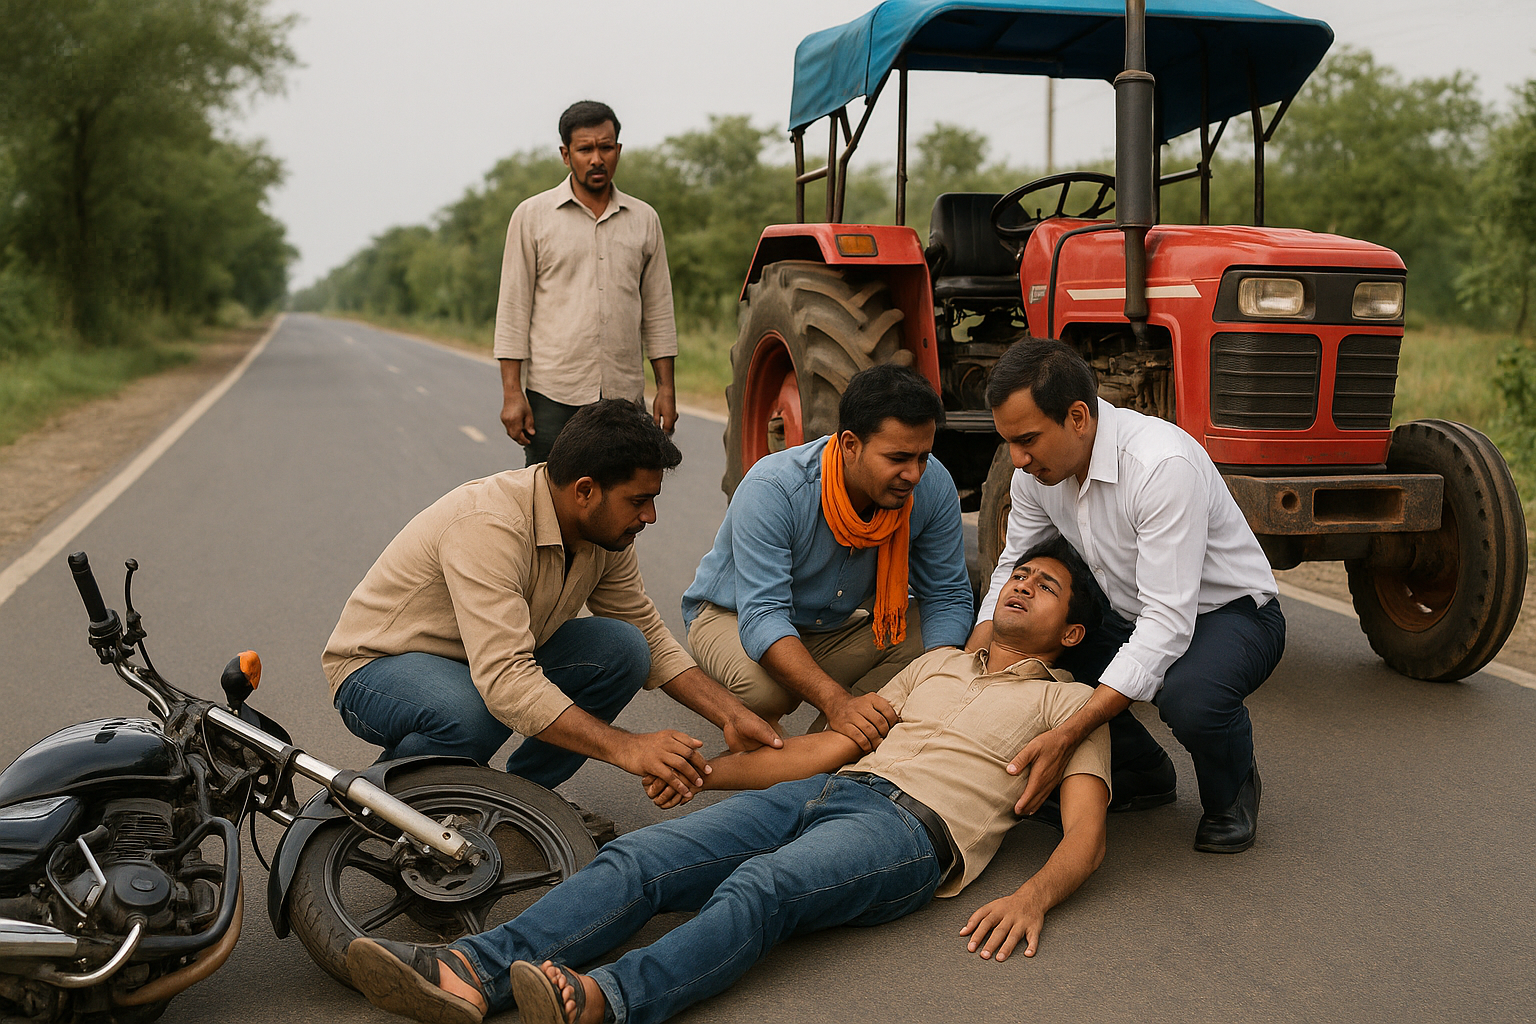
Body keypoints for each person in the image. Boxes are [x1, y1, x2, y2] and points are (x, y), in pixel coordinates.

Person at [346, 537, 1112, 1024]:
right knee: (641, 858)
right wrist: (702, 773)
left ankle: (605, 1000)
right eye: (1021, 574)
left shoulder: (1072, 706)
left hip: (907, 832)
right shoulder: (935, 665)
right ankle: (471, 973)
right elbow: (821, 753)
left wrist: (1030, 896)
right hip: (825, 790)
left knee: (760, 888)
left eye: (1044, 587)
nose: (1020, 586)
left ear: (1071, 633)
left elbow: (1085, 832)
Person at [323, 399, 779, 803]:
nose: (650, 516)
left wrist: (732, 717)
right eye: (639, 500)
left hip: (478, 662)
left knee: (624, 648)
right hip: (377, 669)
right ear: (585, 491)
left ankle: (527, 802)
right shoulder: (490, 525)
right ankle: (372, 805)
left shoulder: (606, 533)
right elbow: (504, 681)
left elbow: (650, 637)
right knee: (473, 714)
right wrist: (627, 746)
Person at [972, 338, 1285, 854]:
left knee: (1191, 696)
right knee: (1040, 636)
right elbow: (1013, 563)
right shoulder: (1034, 471)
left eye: (1027, 439)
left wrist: (1069, 732)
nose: (1017, 458)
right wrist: (977, 657)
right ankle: (1140, 771)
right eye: (1008, 441)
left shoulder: (1161, 466)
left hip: (1230, 616)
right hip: (1132, 610)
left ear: (1077, 417)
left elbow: (1168, 622)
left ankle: (1233, 787)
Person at [681, 363, 974, 753]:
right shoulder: (774, 489)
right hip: (732, 615)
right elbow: (764, 616)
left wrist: (937, 679)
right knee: (769, 693)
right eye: (899, 458)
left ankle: (835, 739)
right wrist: (836, 700)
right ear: (850, 445)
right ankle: (829, 719)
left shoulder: (932, 484)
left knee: (934, 647)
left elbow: (947, 594)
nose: (915, 474)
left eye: (922, 457)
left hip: (831, 624)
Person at [494, 100, 679, 466]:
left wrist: (666, 389)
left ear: (618, 150)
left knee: (619, 504)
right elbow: (513, 310)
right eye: (585, 149)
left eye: (606, 147)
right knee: (548, 502)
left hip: (622, 398)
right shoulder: (532, 216)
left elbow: (658, 310)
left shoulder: (644, 219)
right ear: (566, 155)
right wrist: (512, 394)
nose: (597, 158)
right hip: (552, 395)